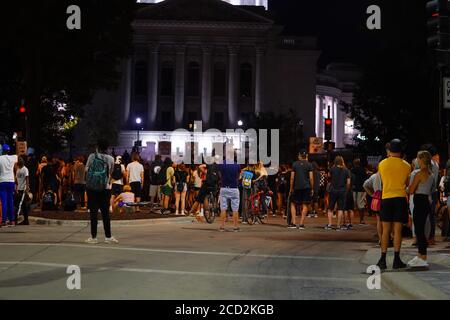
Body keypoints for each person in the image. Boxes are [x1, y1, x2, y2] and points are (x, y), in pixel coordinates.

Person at [376, 139, 411, 270]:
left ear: (389, 150)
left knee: (386, 230)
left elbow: (382, 179)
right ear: (401, 151)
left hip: (387, 198)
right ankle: (397, 259)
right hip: (400, 199)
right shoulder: (407, 166)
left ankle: (383, 259)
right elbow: (407, 184)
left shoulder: (382, 164)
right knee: (398, 230)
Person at [85, 139, 119, 244]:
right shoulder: (111, 158)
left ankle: (93, 237)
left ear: (97, 147)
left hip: (92, 188)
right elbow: (111, 173)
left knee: (93, 213)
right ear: (107, 148)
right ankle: (108, 237)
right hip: (105, 188)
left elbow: (86, 169)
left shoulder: (92, 156)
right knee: (105, 214)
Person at [407, 151, 434, 268]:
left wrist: (406, 188)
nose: (416, 160)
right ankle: (420, 256)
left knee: (419, 230)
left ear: (421, 160)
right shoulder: (431, 174)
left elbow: (411, 190)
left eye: (418, 158)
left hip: (419, 201)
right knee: (420, 229)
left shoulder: (418, 173)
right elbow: (431, 189)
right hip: (426, 201)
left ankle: (423, 257)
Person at [289, 150, 314, 230]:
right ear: (306, 156)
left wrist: (291, 188)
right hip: (306, 187)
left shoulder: (295, 164)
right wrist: (312, 188)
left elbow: (292, 178)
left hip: (296, 187)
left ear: (299, 155)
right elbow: (311, 178)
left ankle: (293, 222)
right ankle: (301, 224)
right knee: (305, 204)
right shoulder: (309, 165)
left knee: (293, 204)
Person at [325, 156, 350, 231]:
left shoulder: (332, 169)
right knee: (340, 209)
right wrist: (346, 190)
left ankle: (329, 224)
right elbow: (348, 182)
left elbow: (328, 177)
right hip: (342, 191)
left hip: (333, 190)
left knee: (330, 208)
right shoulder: (346, 170)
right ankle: (338, 226)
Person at [218, 150, 240, 232]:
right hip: (234, 188)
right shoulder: (237, 165)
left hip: (224, 187)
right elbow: (238, 176)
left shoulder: (222, 164)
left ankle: (222, 226)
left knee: (223, 208)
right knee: (235, 209)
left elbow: (220, 174)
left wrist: (223, 180)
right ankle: (235, 227)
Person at [0, 144, 18, 226]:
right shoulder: (13, 157)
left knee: (4, 201)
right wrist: (16, 141)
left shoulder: (0, 158)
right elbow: (18, 154)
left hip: (2, 181)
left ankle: (4, 220)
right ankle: (12, 220)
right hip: (11, 181)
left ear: (2, 150)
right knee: (10, 201)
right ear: (9, 150)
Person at [364, 171, 383, 244]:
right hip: (387, 197)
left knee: (378, 220)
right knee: (388, 220)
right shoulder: (388, 175)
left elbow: (365, 185)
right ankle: (390, 237)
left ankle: (380, 239)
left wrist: (372, 194)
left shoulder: (374, 176)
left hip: (377, 199)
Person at [352, 158, 367, 225]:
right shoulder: (363, 170)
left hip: (354, 189)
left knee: (352, 204)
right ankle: (362, 220)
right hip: (361, 189)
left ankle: (350, 221)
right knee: (361, 205)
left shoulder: (352, 170)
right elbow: (366, 180)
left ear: (354, 163)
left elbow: (351, 179)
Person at [15, 156, 30, 225]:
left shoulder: (25, 169)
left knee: (23, 205)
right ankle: (17, 219)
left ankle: (26, 220)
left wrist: (27, 187)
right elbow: (16, 180)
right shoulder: (18, 169)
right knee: (18, 204)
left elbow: (27, 179)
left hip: (23, 190)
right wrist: (16, 187)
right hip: (18, 189)